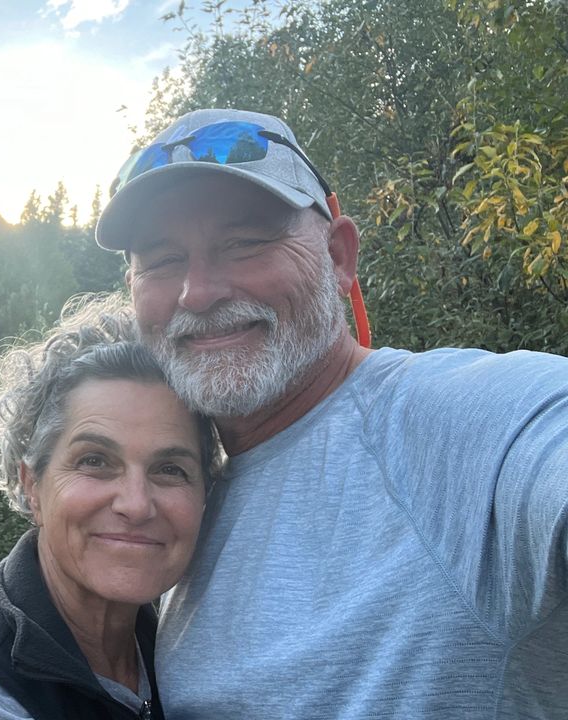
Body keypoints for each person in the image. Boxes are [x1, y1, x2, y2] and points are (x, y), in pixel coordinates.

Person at [95, 107, 568, 718]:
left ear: (339, 257)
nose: (199, 292)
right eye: (162, 260)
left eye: (244, 243)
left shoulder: (466, 420)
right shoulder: (176, 497)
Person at [0, 295, 220, 720]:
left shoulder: (176, 649)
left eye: (170, 469)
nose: (135, 504)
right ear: (31, 485)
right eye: (95, 461)